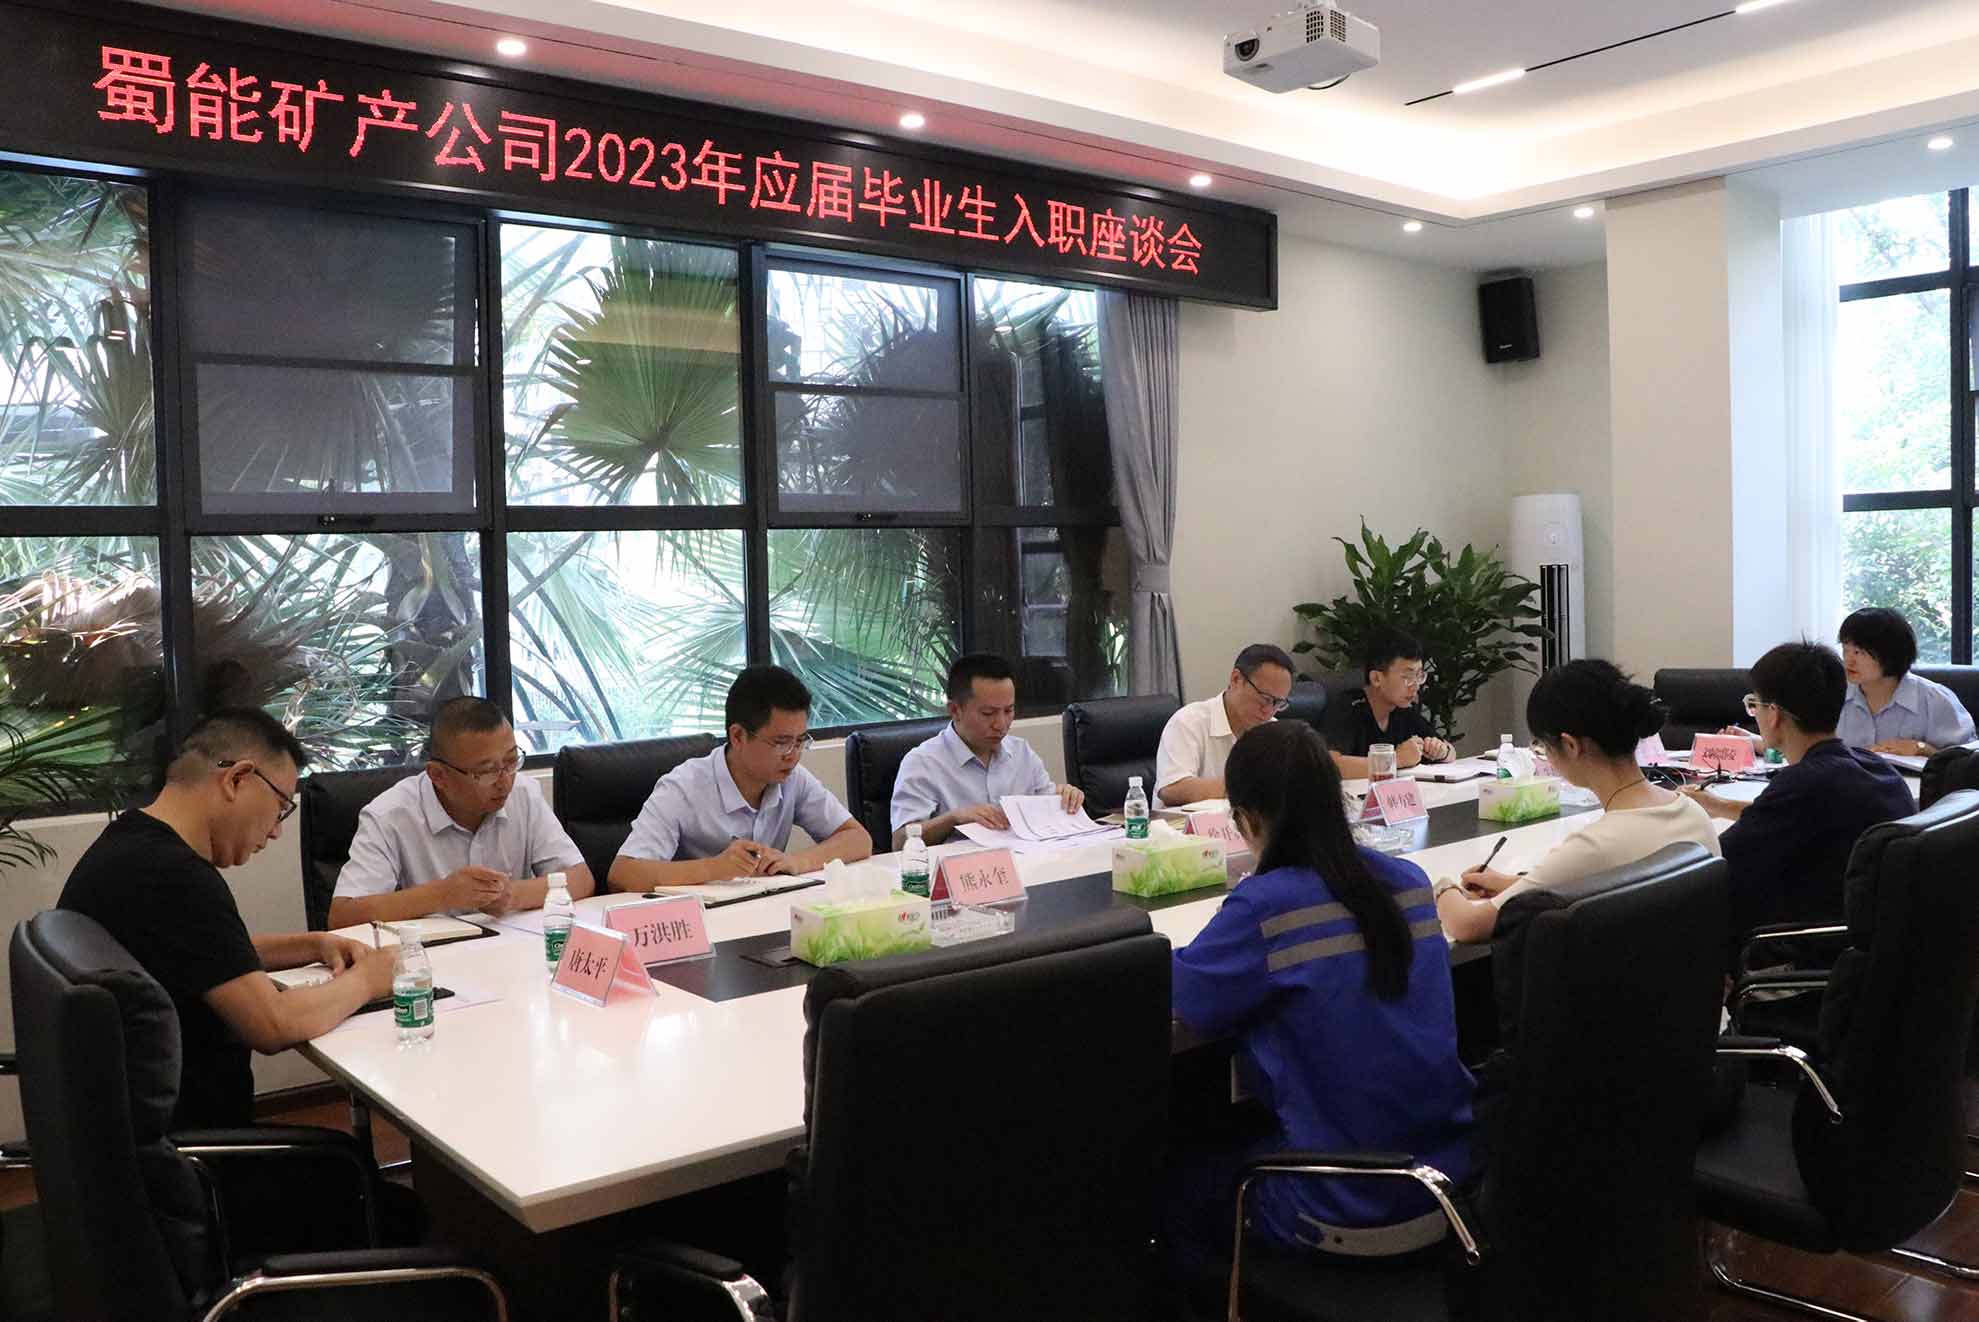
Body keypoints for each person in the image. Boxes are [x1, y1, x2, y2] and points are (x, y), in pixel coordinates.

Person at [1163, 721, 1473, 1295]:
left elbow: (1186, 998)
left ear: (1245, 819)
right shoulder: (1408, 880)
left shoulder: (1266, 906)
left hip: (1341, 1203)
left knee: (1170, 1187)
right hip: (1449, 1179)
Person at [58, 709, 397, 1130]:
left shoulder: (130, 842)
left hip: (134, 1128)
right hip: (196, 1148)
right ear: (237, 779)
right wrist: (369, 980)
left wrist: (312, 944)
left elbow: (203, 956)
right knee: (361, 1171)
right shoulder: (175, 876)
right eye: (281, 807)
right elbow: (273, 1024)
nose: (275, 832)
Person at [1436, 660, 1720, 944]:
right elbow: (1604, 880)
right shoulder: (1692, 813)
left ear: (1570, 746)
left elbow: (1468, 925)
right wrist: (1514, 886)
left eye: (1543, 747)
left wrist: (1443, 888)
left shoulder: (1596, 845)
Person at [1684, 641, 1915, 956]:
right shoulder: (1874, 766)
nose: (1755, 714)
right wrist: (1718, 805)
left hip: (1801, 951)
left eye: (1755, 704)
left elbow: (1716, 866)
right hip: (1872, 947)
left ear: (1774, 714)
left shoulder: (1802, 785)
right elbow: (1798, 816)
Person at [327, 696, 591, 928]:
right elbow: (343, 916)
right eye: (486, 771)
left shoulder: (523, 793)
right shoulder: (389, 815)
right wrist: (442, 895)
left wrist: (512, 895)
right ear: (438, 775)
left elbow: (580, 879)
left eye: (511, 761)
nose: (504, 781)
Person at [610, 665, 871, 888]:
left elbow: (858, 839)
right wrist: (715, 868)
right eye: (781, 743)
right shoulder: (683, 787)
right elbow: (623, 874)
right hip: (700, 921)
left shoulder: (794, 779)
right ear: (738, 736)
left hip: (762, 913)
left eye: (800, 741)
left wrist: (796, 861)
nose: (792, 755)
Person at [889, 652, 1084, 848]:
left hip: (1023, 860)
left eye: (1008, 710)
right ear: (955, 710)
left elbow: (1047, 808)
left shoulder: (1021, 752)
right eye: (988, 713)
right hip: (961, 864)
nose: (1001, 724)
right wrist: (953, 818)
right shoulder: (923, 762)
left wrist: (1064, 798)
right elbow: (899, 842)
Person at [1153, 643, 1295, 808]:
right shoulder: (1188, 722)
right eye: (1264, 699)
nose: (1268, 711)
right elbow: (1172, 789)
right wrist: (1248, 787)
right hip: (1184, 824)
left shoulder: (1273, 732)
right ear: (1236, 679)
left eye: (1278, 703)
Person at [1835, 607, 1974, 757]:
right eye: (1845, 650)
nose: (1849, 660)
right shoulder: (1834, 696)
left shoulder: (1935, 700)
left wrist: (1922, 748)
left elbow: (1968, 762)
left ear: (1890, 653)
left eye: (1858, 652)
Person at [1320, 628, 1454, 778]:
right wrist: (1395, 760)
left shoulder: (1403, 709)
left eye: (1419, 676)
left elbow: (1451, 751)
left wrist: (1442, 751)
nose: (1415, 686)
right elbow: (1330, 765)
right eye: (1408, 677)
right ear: (1376, 678)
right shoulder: (1348, 706)